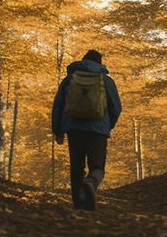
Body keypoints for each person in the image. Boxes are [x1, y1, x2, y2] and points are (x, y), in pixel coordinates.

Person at [51, 49, 122, 210]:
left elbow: (58, 105)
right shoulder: (106, 80)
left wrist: (58, 130)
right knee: (97, 167)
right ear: (100, 63)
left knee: (76, 167)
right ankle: (90, 183)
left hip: (74, 129)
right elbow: (116, 107)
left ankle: (79, 203)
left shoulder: (70, 79)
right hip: (98, 130)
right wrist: (107, 126)